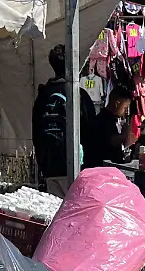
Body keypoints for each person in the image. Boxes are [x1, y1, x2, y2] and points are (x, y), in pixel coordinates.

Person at [32, 44, 96, 197]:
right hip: (75, 167)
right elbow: (91, 134)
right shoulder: (79, 96)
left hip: (50, 167)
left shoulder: (43, 95)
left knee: (55, 213)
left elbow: (36, 134)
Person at [83, 86, 134, 169]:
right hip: (101, 168)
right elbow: (112, 140)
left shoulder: (112, 119)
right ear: (117, 103)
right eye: (125, 107)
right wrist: (126, 134)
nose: (126, 111)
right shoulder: (104, 120)